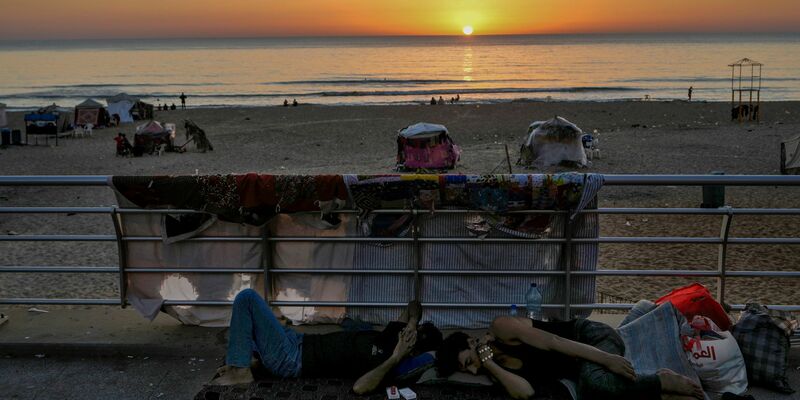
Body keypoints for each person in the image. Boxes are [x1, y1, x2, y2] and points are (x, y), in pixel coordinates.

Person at [211, 289, 441, 394]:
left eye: (414, 338)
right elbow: (414, 304)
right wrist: (412, 323)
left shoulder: (389, 363)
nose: (408, 335)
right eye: (415, 331)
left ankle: (241, 371)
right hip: (299, 340)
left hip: (293, 358)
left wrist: (397, 355)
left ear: (413, 350)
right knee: (249, 325)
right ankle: (253, 362)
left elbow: (360, 387)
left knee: (247, 299)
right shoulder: (398, 333)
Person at [436, 315, 704, 400]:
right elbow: (526, 393)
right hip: (582, 368)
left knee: (596, 384)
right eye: (467, 370)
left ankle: (662, 381)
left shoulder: (502, 328)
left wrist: (606, 358)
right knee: (593, 390)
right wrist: (489, 364)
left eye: (469, 362)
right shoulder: (495, 371)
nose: (474, 371)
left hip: (589, 338)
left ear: (472, 342)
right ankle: (660, 392)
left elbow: (556, 342)